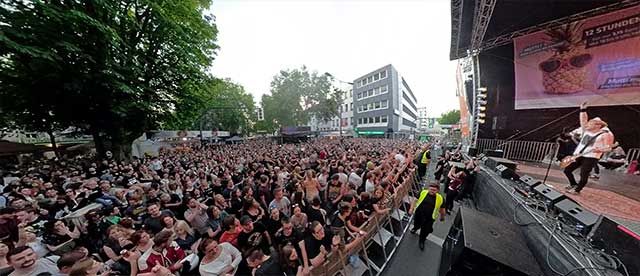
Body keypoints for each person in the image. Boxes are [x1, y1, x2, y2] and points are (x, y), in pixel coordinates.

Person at [564, 102, 614, 195]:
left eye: (591, 124)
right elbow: (583, 120)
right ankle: (573, 184)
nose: (587, 125)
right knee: (567, 170)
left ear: (598, 125)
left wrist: (600, 150)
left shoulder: (605, 135)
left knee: (583, 174)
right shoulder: (586, 131)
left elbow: (608, 148)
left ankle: (577, 190)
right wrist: (582, 109)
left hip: (591, 157)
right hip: (579, 155)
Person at [409, 184, 445, 250]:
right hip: (419, 214)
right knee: (417, 223)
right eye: (431, 189)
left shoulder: (441, 198)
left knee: (425, 230)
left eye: (434, 190)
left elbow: (442, 209)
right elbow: (415, 200)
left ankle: (422, 241)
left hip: (430, 218)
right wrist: (411, 209)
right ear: (428, 189)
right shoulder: (422, 192)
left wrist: (442, 216)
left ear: (438, 191)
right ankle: (415, 228)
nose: (432, 191)